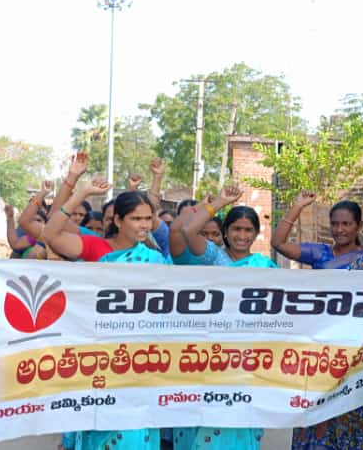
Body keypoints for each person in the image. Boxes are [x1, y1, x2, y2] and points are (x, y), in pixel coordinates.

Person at [45, 180, 168, 450]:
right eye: (136, 219)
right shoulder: (97, 248)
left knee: (135, 430)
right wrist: (81, 192)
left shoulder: (155, 259)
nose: (144, 225)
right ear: (119, 221)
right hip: (100, 356)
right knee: (100, 428)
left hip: (141, 359)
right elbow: (51, 235)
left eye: (148, 219)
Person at [271, 192, 363, 449]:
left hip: (357, 352)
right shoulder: (320, 254)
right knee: (317, 412)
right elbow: (278, 243)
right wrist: (297, 206)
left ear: (359, 225)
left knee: (353, 411)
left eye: (346, 224)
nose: (339, 229)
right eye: (335, 224)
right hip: (320, 351)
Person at [167, 185, 274, 449]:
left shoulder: (265, 266)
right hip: (208, 351)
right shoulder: (212, 257)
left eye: (248, 230)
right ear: (225, 231)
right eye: (236, 229)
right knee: (203, 416)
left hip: (247, 354)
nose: (242, 235)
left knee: (240, 416)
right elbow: (188, 231)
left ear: (256, 234)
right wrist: (220, 202)